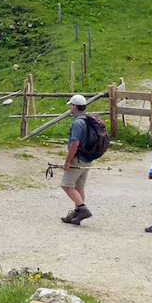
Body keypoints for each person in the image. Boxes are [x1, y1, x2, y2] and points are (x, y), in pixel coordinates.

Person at [61, 94, 95, 225]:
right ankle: (76, 215)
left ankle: (81, 208)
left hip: (78, 158)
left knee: (67, 185)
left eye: (71, 105)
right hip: (88, 157)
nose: (70, 107)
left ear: (75, 106)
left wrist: (67, 161)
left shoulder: (77, 122)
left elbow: (75, 143)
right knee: (79, 187)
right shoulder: (88, 120)